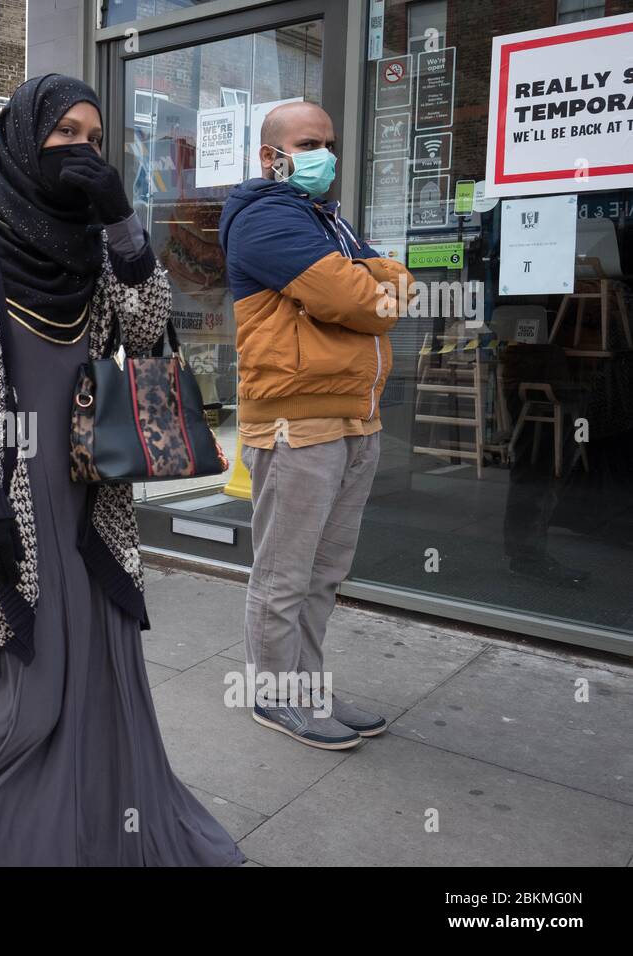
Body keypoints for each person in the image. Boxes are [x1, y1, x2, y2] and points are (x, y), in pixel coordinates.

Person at [0, 74, 245, 866]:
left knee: (102, 677)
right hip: (11, 498)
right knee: (31, 693)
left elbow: (151, 331)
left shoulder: (92, 241)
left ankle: (75, 828)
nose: (82, 150)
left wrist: (123, 225)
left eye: (95, 137)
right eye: (66, 135)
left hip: (92, 497)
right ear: (24, 138)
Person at [217, 101, 414, 749]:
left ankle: (307, 687)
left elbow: (390, 290)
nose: (323, 153)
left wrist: (372, 278)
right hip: (295, 423)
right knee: (284, 574)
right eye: (308, 142)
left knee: (325, 573)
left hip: (353, 417)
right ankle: (275, 697)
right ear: (271, 155)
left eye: (328, 141)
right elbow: (364, 299)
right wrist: (373, 277)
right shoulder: (268, 217)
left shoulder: (326, 219)